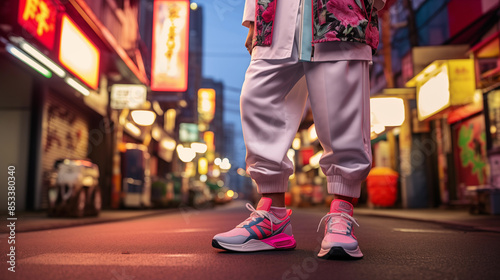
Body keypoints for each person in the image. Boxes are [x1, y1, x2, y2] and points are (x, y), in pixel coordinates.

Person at [212, 0, 386, 259]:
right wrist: (252, 19)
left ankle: (341, 214)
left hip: (340, 12)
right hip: (275, 13)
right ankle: (273, 217)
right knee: (257, 99)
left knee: (342, 110)